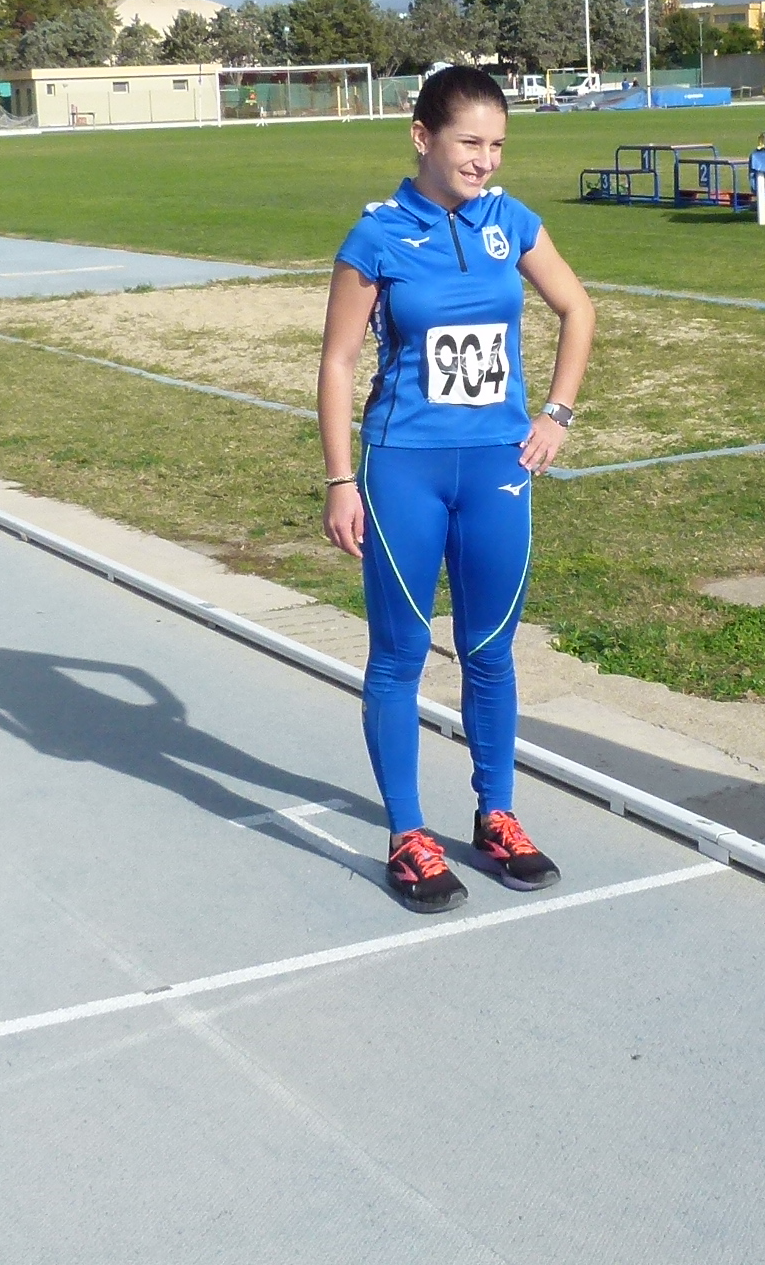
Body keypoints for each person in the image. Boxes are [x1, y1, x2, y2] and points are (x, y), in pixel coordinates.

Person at [318, 65, 596, 912]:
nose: (485, 159)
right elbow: (337, 362)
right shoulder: (375, 237)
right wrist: (339, 479)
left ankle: (496, 815)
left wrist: (556, 415)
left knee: (490, 650)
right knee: (400, 652)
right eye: (469, 142)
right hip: (404, 466)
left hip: (497, 471)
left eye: (497, 144)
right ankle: (408, 834)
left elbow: (578, 310)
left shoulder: (512, 222)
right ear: (423, 137)